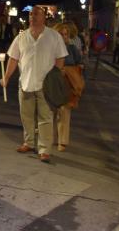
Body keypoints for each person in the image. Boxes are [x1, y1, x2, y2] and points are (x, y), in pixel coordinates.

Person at [0, 6, 68, 163]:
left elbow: (60, 58)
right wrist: (7, 77)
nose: (33, 16)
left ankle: (44, 150)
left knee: (45, 118)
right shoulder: (21, 37)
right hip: (25, 82)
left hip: (45, 85)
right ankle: (29, 143)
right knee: (27, 116)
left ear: (44, 17)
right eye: (31, 14)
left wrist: (54, 77)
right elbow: (13, 59)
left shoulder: (54, 36)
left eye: (36, 14)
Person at [53, 23, 84, 152]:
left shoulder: (72, 49)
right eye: (61, 34)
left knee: (65, 112)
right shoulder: (51, 48)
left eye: (65, 34)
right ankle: (51, 138)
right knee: (52, 111)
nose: (64, 36)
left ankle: (62, 141)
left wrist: (72, 70)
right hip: (53, 83)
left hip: (67, 84)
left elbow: (80, 64)